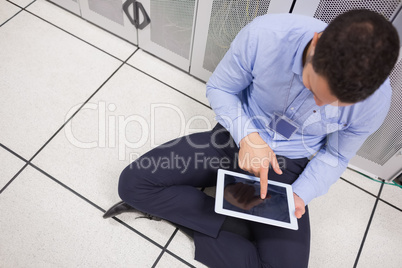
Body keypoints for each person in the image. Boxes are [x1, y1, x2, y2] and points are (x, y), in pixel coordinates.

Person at [103, 9, 400, 267]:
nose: (319, 105)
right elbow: (220, 88)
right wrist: (248, 137)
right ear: (316, 44)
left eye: (334, 103)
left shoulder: (375, 102)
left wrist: (300, 195)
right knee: (133, 184)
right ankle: (238, 225)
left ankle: (207, 220)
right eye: (314, 89)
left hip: (289, 166)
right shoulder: (265, 35)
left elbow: (335, 156)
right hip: (233, 137)